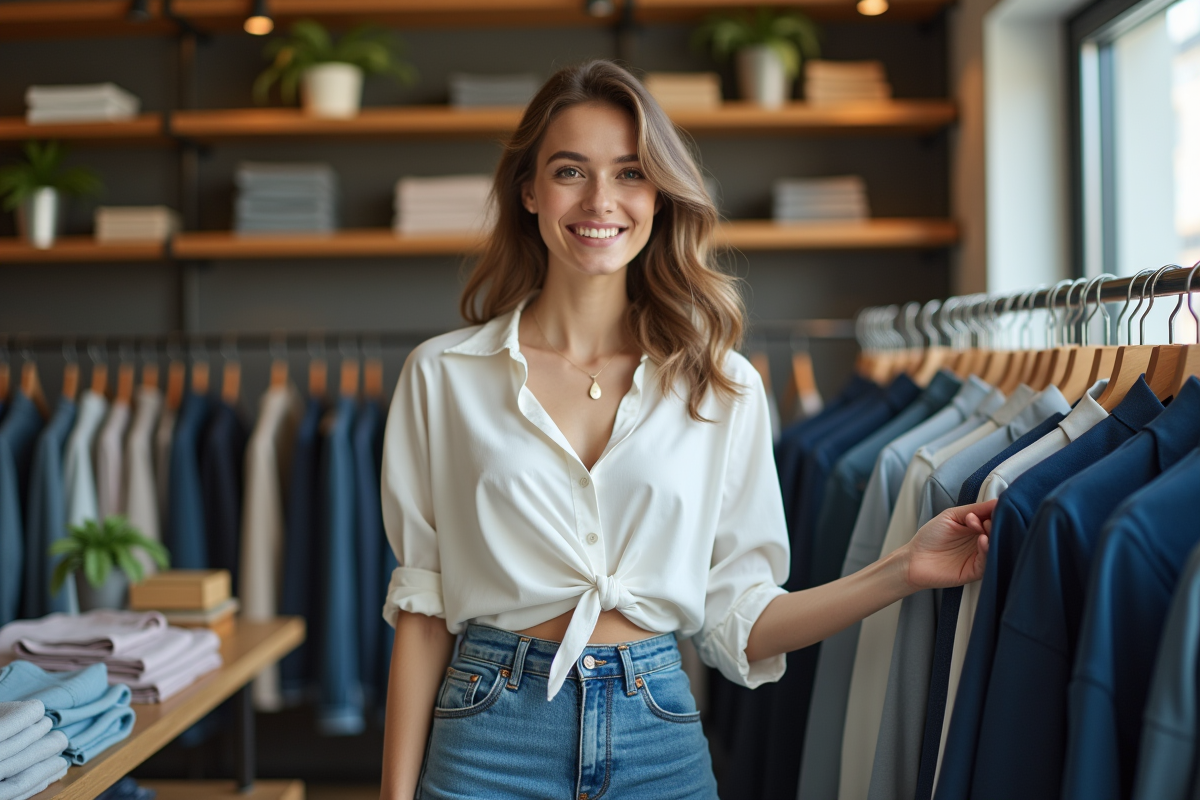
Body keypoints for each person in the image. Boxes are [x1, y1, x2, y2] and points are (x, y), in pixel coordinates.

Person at [378, 60, 994, 800]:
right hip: (488, 734)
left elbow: (742, 619)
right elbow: (423, 611)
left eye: (630, 173)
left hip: (658, 737)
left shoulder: (723, 384)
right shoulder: (443, 376)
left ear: (659, 196)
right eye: (571, 170)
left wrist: (902, 570)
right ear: (530, 191)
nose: (600, 200)